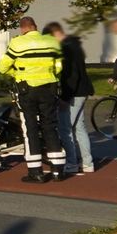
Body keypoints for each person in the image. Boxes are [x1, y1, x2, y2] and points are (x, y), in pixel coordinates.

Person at [0, 17, 65, 183]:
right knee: (50, 126)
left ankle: (36, 172)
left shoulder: (17, 43)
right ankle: (57, 170)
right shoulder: (51, 42)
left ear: (22, 29)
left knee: (30, 129)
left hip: (27, 90)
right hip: (49, 88)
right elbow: (59, 66)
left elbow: (2, 67)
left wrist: (17, 74)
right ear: (36, 27)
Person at [44, 22, 95, 174]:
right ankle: (87, 162)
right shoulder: (75, 45)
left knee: (65, 129)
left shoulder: (66, 49)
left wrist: (65, 98)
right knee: (79, 128)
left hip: (73, 93)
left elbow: (71, 76)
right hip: (83, 90)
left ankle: (72, 162)